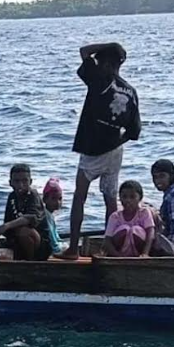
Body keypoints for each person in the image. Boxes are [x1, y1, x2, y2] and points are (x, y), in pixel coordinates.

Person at [60, 42, 141, 260]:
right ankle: (108, 250)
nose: (95, 63)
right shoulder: (131, 91)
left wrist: (109, 45)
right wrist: (114, 140)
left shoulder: (100, 79)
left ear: (105, 63)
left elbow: (83, 51)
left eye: (99, 61)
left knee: (79, 196)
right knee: (110, 200)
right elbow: (134, 132)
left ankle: (73, 249)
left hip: (93, 149)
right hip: (115, 150)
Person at [0, 164, 50, 260]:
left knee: (24, 231)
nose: (21, 185)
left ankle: (30, 263)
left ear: (30, 181)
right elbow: (8, 220)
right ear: (10, 183)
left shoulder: (33, 195)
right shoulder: (12, 197)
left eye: (25, 181)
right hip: (18, 241)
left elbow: (31, 218)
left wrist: (6, 226)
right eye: (17, 181)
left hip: (41, 245)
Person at [103, 180, 156, 257]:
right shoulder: (115, 216)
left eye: (132, 197)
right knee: (125, 229)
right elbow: (107, 240)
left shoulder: (144, 212)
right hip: (120, 253)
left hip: (140, 252)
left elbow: (150, 233)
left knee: (135, 230)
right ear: (120, 198)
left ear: (140, 198)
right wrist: (117, 255)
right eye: (124, 197)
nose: (128, 200)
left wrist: (145, 253)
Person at [42, 177, 65, 255]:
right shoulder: (45, 216)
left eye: (60, 199)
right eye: (53, 198)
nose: (58, 202)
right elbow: (53, 242)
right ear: (45, 199)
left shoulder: (50, 215)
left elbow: (57, 238)